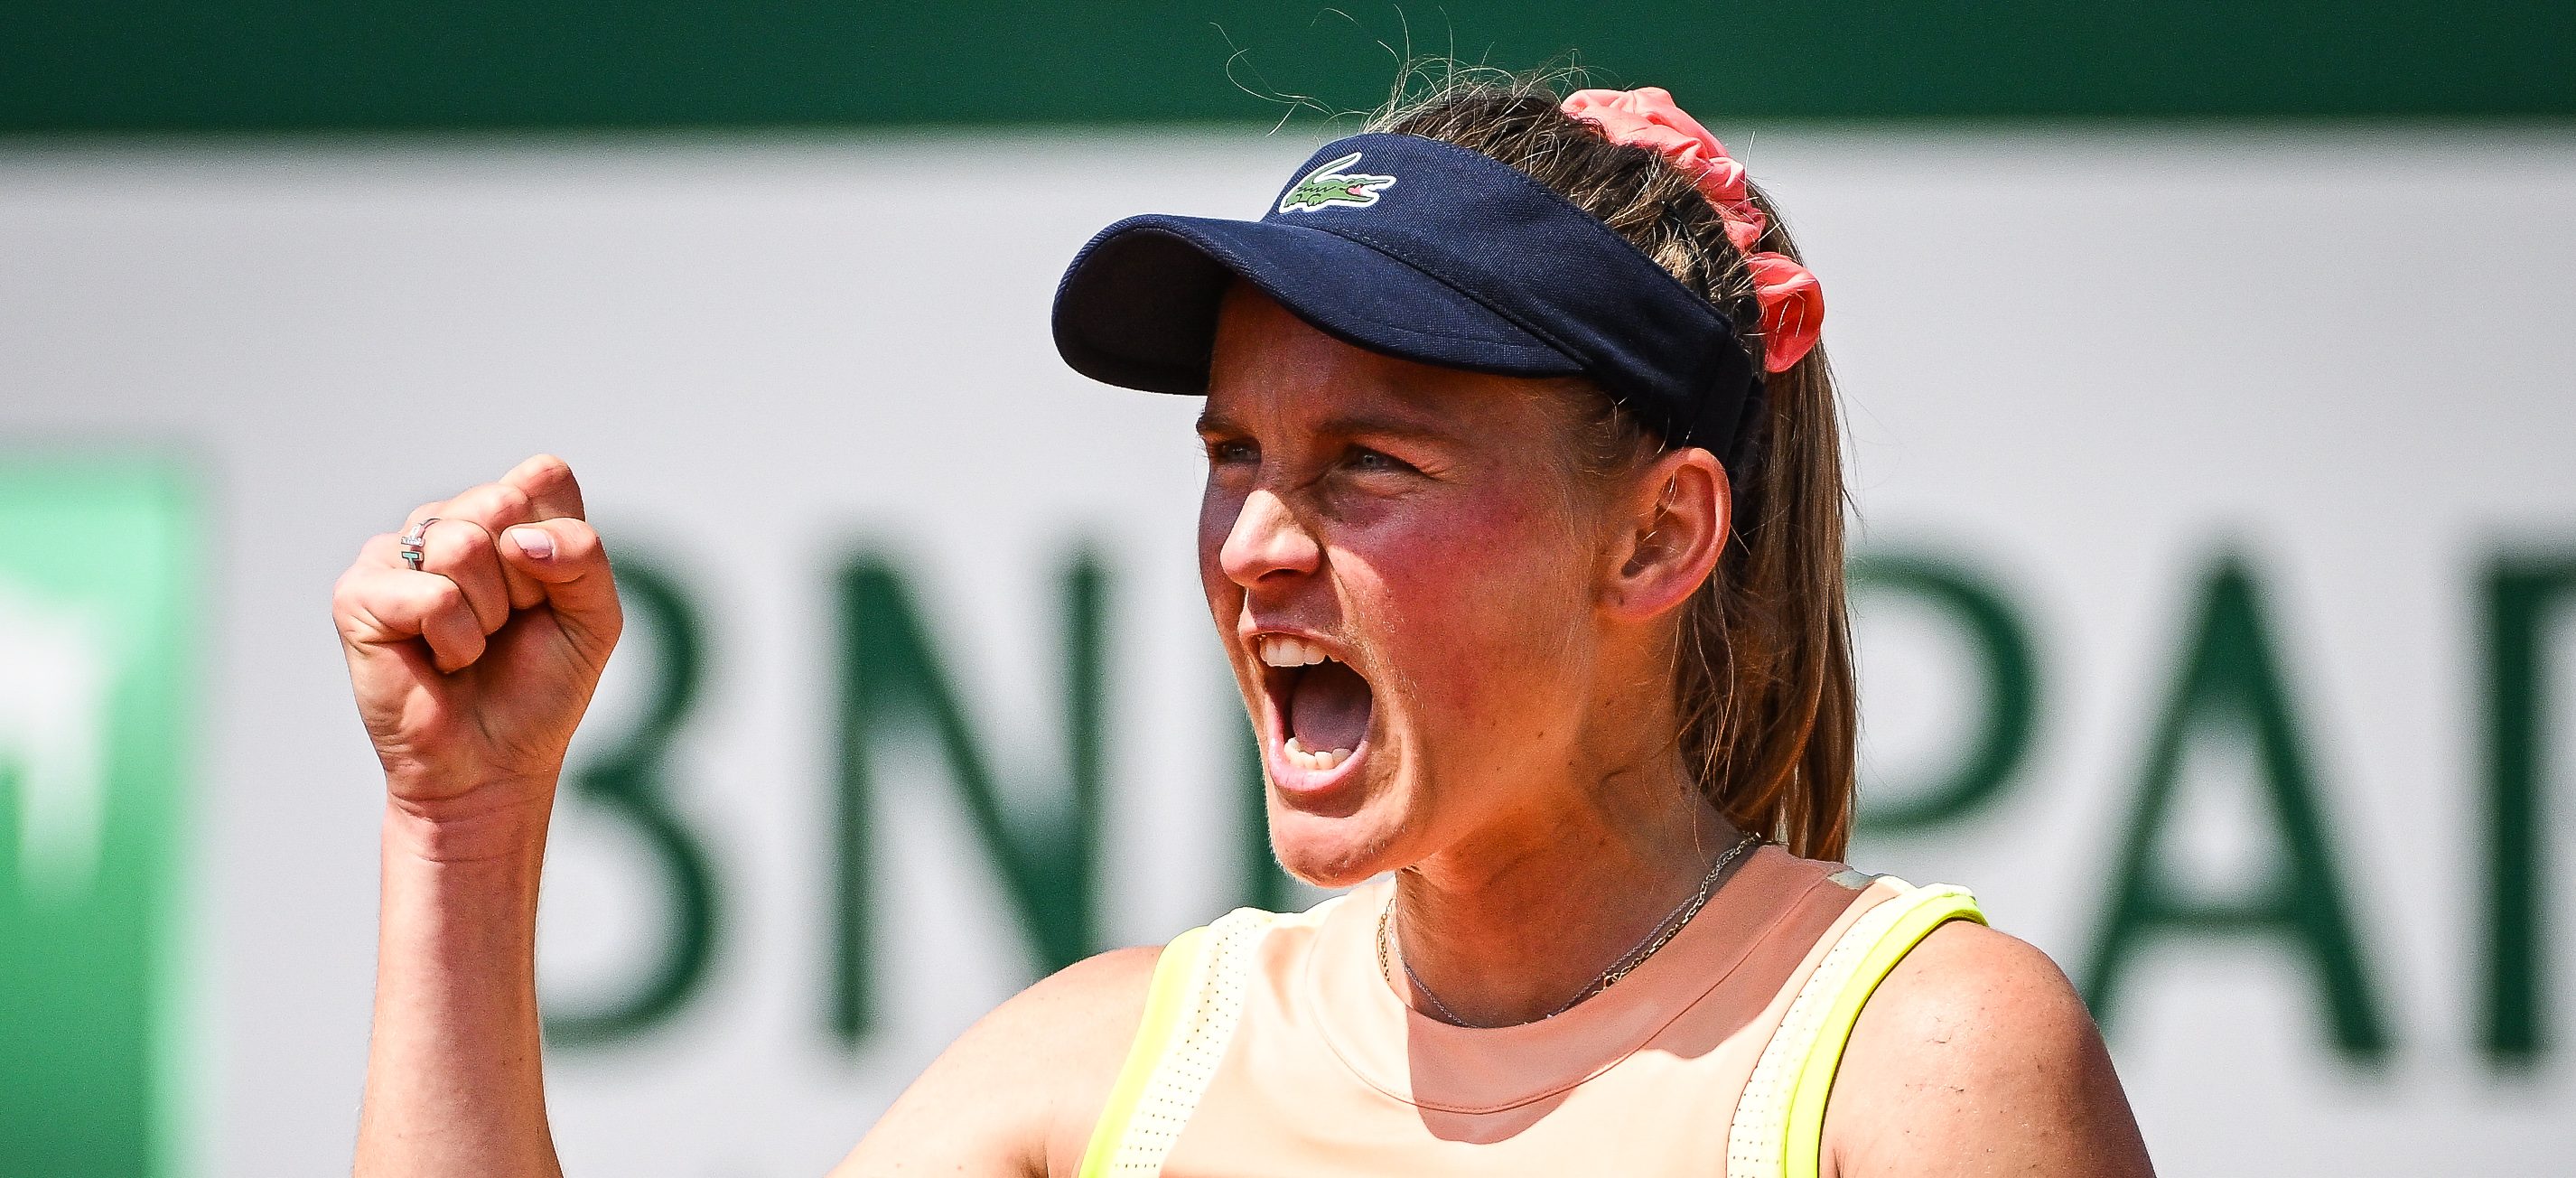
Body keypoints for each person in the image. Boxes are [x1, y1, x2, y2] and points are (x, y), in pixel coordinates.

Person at [339, 74, 2155, 1177]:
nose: (1254, 544)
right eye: (1232, 452)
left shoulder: (1923, 1055)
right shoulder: (1107, 1071)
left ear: (1659, 532)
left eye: (1368, 462)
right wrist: (463, 832)